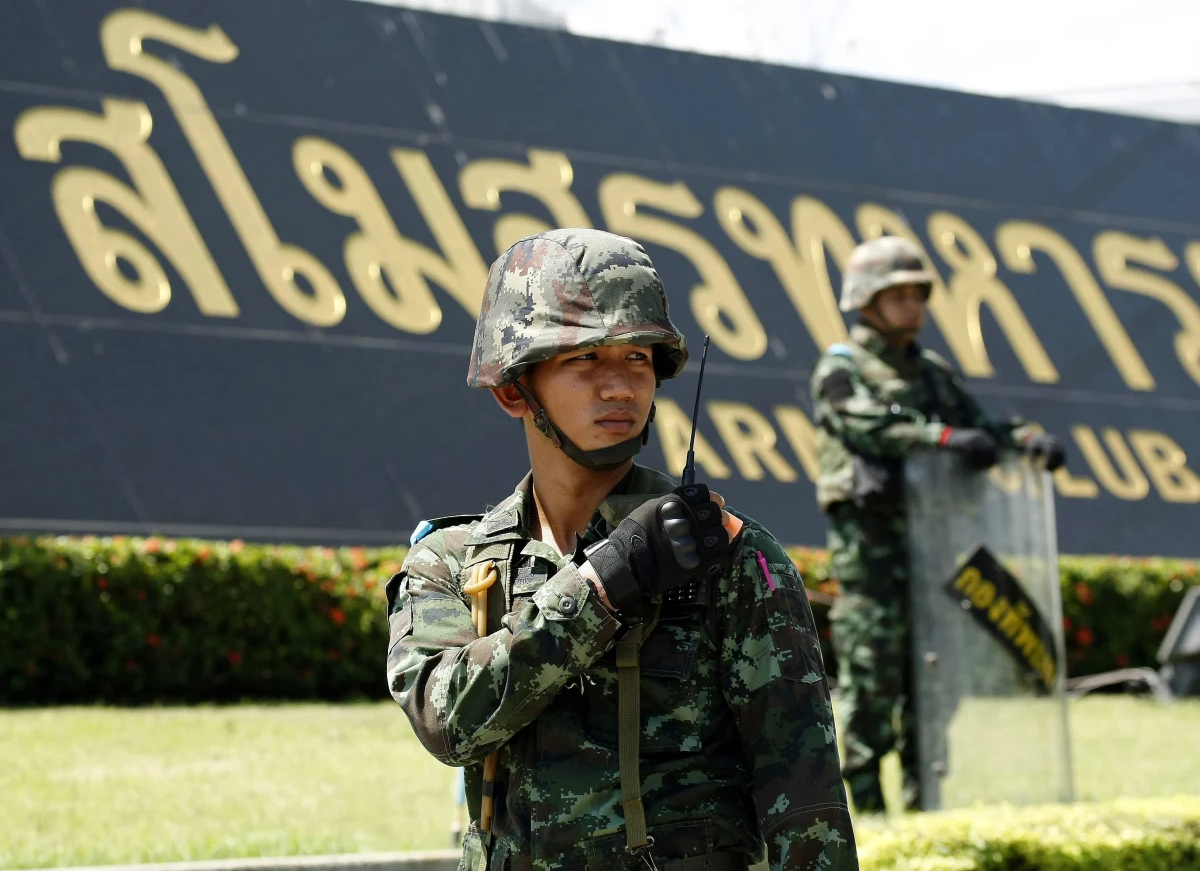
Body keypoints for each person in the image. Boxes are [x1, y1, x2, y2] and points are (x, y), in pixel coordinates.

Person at [387, 229, 857, 870]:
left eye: (638, 358)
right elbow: (448, 724)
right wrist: (604, 584)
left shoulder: (733, 559)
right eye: (584, 360)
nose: (620, 386)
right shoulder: (455, 563)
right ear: (512, 390)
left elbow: (807, 806)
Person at [810, 235, 1067, 815]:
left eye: (917, 294)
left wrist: (1027, 441)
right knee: (872, 684)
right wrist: (942, 439)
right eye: (897, 295)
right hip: (872, 559)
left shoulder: (932, 373)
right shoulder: (842, 368)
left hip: (934, 550)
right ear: (866, 301)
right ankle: (870, 818)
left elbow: (981, 425)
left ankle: (925, 809)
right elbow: (863, 427)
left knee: (932, 688)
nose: (913, 307)